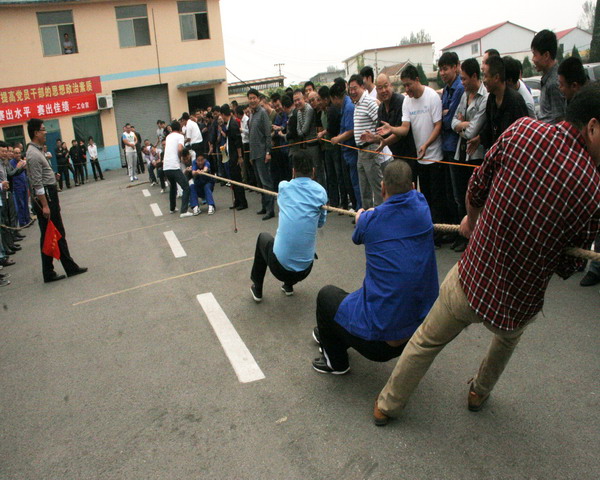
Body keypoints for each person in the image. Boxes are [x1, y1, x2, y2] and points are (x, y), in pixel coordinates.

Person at [373, 83, 600, 427]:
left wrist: (472, 221)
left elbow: (476, 189)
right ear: (593, 127)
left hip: (473, 277)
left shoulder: (522, 131)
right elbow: (570, 264)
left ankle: (387, 405)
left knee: (425, 341)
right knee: (506, 341)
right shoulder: (592, 188)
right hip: (520, 299)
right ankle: (479, 391)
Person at [311, 160, 438, 374]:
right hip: (423, 330)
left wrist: (362, 215)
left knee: (327, 296)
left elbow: (358, 236)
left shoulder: (370, 220)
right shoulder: (422, 206)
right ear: (413, 187)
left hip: (382, 343)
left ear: (383, 187)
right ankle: (335, 332)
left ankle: (336, 363)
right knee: (355, 298)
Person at [250, 150, 327, 301]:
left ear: (293, 171)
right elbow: (320, 223)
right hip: (305, 270)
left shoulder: (283, 187)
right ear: (313, 171)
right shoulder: (321, 192)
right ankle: (288, 285)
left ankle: (257, 288)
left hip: (280, 269)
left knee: (263, 238)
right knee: (297, 238)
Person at [377, 65, 443, 231]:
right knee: (424, 196)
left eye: (408, 84)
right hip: (419, 157)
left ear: (417, 80)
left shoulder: (432, 96)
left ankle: (441, 231)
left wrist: (426, 144)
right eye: (404, 85)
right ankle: (427, 229)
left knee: (438, 197)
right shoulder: (407, 101)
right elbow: (405, 129)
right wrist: (391, 129)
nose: (406, 89)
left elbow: (438, 125)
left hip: (435, 156)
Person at [25, 119, 87, 283]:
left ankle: (51, 271)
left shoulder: (37, 151)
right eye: (43, 129)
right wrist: (45, 205)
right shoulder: (33, 154)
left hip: (48, 194)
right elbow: (37, 183)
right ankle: (65, 268)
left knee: (49, 234)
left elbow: (41, 176)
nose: (45, 132)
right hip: (46, 197)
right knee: (56, 232)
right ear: (36, 133)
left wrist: (53, 176)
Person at [450, 58, 488, 253]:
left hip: (476, 156)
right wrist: (462, 125)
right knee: (460, 198)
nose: (462, 82)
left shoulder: (485, 97)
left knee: (475, 199)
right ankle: (463, 235)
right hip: (461, 153)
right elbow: (452, 122)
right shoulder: (464, 95)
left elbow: (473, 131)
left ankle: (477, 239)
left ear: (474, 76)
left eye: (464, 79)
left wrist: (462, 125)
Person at [479, 56, 529, 149]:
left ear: (496, 77)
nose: (483, 80)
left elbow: (524, 135)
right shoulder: (491, 98)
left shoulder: (515, 101)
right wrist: (480, 138)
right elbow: (489, 128)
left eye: (485, 76)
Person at [247, 88, 275, 220]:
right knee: (260, 183)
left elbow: (267, 134)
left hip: (263, 153)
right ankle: (264, 206)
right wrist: (251, 155)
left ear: (258, 99)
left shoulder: (263, 113)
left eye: (254, 98)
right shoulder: (252, 114)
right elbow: (251, 136)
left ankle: (270, 209)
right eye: (250, 98)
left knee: (266, 182)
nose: (252, 100)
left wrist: (268, 152)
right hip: (254, 154)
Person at [531, 29, 566, 124]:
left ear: (546, 55)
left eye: (534, 55)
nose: (533, 59)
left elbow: (559, 122)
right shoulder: (547, 79)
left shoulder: (554, 83)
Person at [163, 121, 193, 218]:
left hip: (166, 166)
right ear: (179, 128)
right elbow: (180, 149)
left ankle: (172, 208)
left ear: (171, 128)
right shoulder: (180, 136)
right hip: (174, 166)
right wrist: (180, 158)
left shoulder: (168, 137)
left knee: (173, 187)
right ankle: (184, 211)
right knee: (186, 187)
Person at [221, 104, 247, 210]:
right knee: (233, 179)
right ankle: (237, 200)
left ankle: (242, 202)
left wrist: (240, 156)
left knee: (237, 179)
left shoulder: (233, 125)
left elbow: (238, 142)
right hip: (231, 154)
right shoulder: (229, 124)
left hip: (235, 155)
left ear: (223, 114)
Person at [190, 150, 215, 215]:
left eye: (202, 160)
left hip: (208, 184)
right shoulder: (194, 163)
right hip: (199, 186)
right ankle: (195, 207)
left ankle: (211, 206)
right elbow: (193, 172)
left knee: (206, 186)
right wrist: (196, 172)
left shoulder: (207, 163)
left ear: (204, 159)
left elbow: (206, 169)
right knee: (192, 186)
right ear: (196, 160)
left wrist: (203, 171)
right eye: (198, 160)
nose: (200, 162)